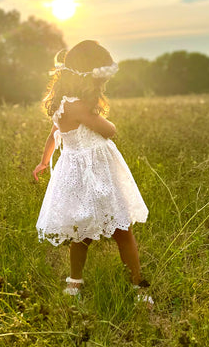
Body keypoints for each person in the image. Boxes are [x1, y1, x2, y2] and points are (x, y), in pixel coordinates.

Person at [33, 40, 150, 299]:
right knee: (123, 230)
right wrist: (102, 116)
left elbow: (54, 134)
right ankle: (137, 282)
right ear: (91, 78)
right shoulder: (79, 106)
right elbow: (109, 131)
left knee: (81, 231)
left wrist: (44, 161)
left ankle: (75, 281)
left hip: (77, 170)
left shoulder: (64, 103)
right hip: (95, 171)